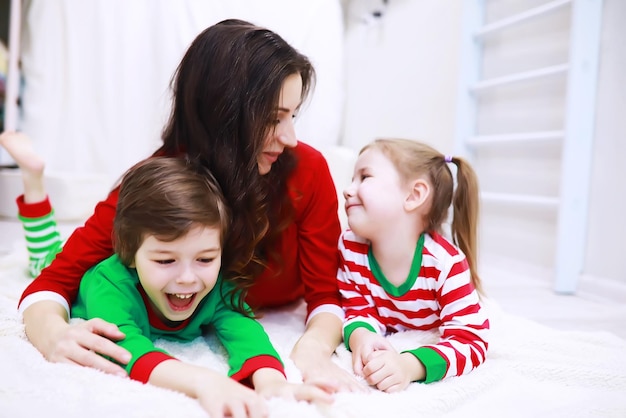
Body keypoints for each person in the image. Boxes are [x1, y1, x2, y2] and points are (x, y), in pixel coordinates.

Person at [16, 19, 361, 391]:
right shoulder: (162, 184)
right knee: (46, 254)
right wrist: (51, 333)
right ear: (223, 112)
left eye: (293, 116)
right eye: (273, 119)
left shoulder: (306, 171)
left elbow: (327, 294)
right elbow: (56, 278)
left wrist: (313, 347)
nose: (290, 137)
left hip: (244, 313)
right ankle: (34, 188)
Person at [2, 131, 333, 417]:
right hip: (92, 274)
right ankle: (33, 183)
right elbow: (128, 350)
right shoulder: (111, 286)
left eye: (205, 259)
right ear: (129, 254)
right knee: (44, 257)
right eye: (165, 261)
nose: (188, 278)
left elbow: (244, 327)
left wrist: (270, 380)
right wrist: (204, 381)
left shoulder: (215, 282)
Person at [337, 138, 490, 393]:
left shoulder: (445, 264)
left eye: (364, 177)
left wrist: (409, 366)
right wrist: (361, 335)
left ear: (414, 195)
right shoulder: (351, 246)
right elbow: (356, 308)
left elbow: (471, 340)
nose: (348, 190)